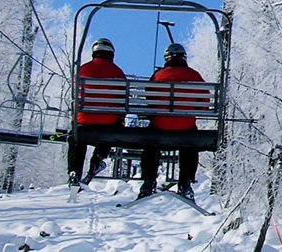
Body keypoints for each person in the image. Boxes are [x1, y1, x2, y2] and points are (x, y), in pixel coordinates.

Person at [139, 43, 205, 200]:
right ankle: (185, 182)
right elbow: (204, 103)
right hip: (185, 127)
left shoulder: (158, 76)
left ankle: (148, 182)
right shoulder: (194, 75)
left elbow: (149, 100)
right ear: (184, 58)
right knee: (190, 143)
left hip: (160, 126)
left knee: (150, 144)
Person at [68, 37, 126, 188]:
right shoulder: (118, 73)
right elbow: (122, 100)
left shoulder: (82, 70)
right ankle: (97, 160)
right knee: (111, 128)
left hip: (84, 122)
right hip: (107, 126)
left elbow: (75, 95)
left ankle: (74, 170)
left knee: (77, 138)